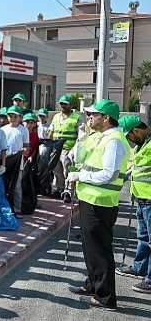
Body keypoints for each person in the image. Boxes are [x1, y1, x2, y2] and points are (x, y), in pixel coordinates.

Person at [66, 99, 129, 310]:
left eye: (93, 114)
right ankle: (92, 284)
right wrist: (82, 139)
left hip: (101, 203)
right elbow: (81, 157)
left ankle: (105, 297)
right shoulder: (100, 137)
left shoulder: (114, 140)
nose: (89, 117)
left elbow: (109, 175)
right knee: (89, 249)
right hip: (89, 200)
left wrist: (80, 175)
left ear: (106, 118)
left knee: (99, 252)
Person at [114, 115, 151, 294]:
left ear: (136, 131)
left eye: (128, 136)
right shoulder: (142, 144)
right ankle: (140, 268)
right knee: (143, 237)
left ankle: (150, 279)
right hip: (142, 199)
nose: (128, 140)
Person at [48, 95, 84, 199]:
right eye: (61, 104)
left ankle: (69, 191)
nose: (63, 106)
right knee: (57, 170)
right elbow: (51, 132)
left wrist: (75, 150)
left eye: (65, 104)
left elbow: (81, 136)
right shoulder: (56, 117)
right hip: (56, 149)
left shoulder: (77, 117)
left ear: (71, 105)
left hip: (68, 149)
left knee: (67, 170)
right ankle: (60, 189)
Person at [1, 106, 30, 218]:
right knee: (3, 185)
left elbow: (27, 146)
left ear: (20, 118)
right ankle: (4, 207)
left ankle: (17, 208)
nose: (13, 118)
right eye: (10, 116)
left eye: (15, 116)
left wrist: (24, 151)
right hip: (5, 161)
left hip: (18, 163)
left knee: (17, 186)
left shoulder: (23, 130)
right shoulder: (3, 130)